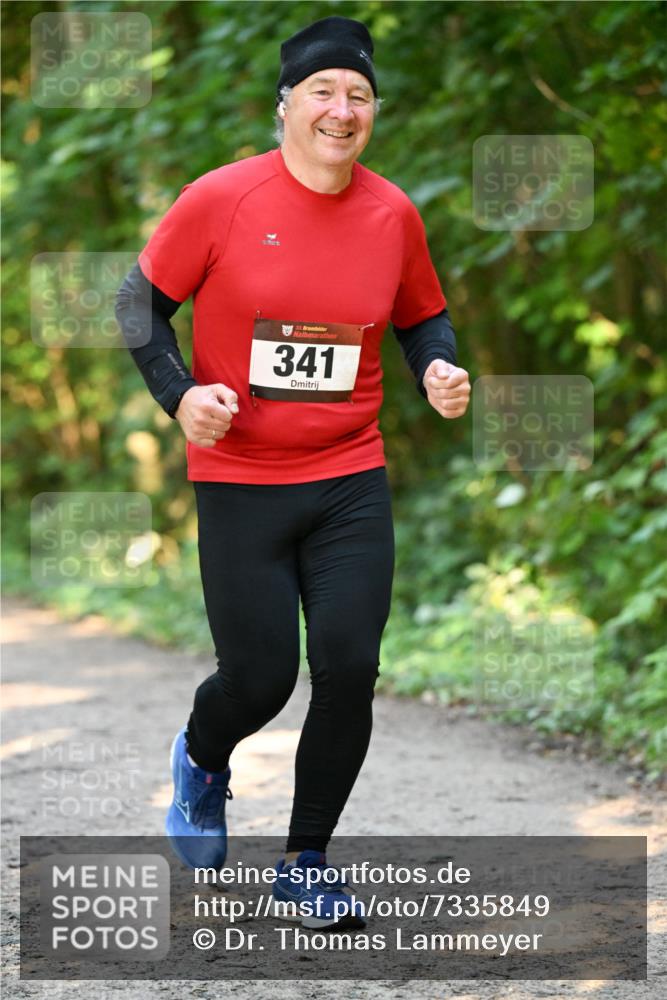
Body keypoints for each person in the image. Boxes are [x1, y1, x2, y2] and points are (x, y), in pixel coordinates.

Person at [116, 15, 470, 931]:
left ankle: (306, 861)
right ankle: (201, 760)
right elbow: (137, 303)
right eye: (322, 91)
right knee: (260, 679)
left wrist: (435, 365)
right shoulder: (222, 199)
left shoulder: (392, 212)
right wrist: (179, 395)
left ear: (372, 114)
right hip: (239, 476)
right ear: (285, 107)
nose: (340, 109)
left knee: (349, 666)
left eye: (357, 95)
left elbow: (421, 317)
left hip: (349, 475)